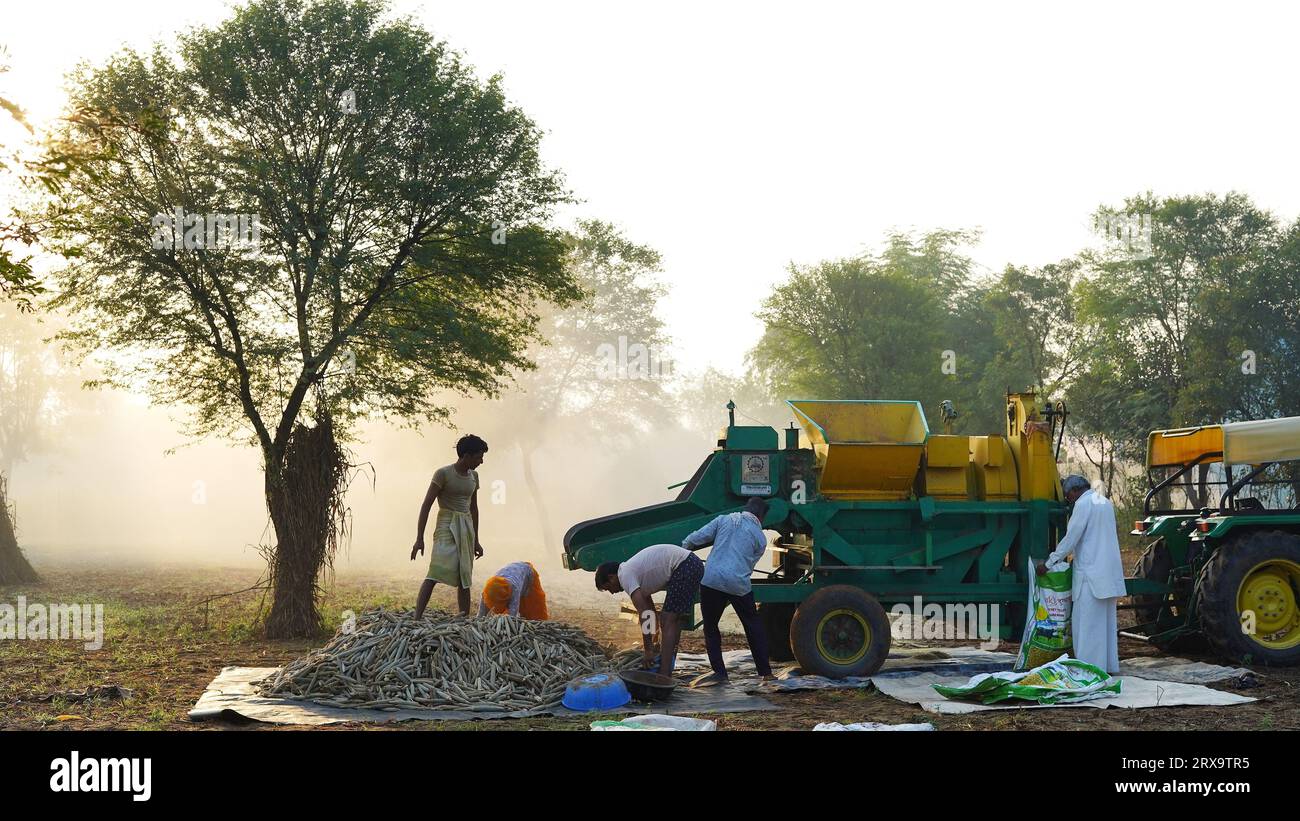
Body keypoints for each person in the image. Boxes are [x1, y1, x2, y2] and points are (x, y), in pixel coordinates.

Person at [1038, 474, 1127, 673]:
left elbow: (1071, 538)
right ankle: (1108, 666)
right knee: (1105, 626)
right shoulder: (1104, 502)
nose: (1068, 499)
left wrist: (1050, 562)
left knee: (1086, 626)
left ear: (1075, 491)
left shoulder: (1083, 505)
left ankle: (1088, 670)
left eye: (1068, 495)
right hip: (1107, 574)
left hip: (1091, 575)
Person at [682, 497, 774, 685]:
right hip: (738, 585)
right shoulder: (760, 537)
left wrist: (683, 548)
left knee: (711, 626)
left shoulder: (724, 519)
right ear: (761, 517)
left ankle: (719, 672)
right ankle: (765, 673)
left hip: (711, 580)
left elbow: (698, 537)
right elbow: (749, 564)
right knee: (752, 625)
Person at [594, 544, 704, 677]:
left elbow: (644, 614)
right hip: (690, 564)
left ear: (611, 577)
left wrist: (648, 650)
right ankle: (668, 664)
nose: (611, 592)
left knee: (667, 620)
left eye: (608, 588)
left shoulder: (625, 575)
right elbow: (650, 612)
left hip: (685, 566)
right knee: (673, 620)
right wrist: (655, 637)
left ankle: (663, 674)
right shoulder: (632, 573)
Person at [411, 435, 488, 618]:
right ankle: (416, 618)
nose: (481, 461)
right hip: (446, 525)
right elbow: (426, 505)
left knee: (464, 576)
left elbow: (474, 509)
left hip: (466, 527)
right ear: (466, 456)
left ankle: (463, 619)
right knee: (435, 571)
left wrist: (476, 540)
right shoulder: (443, 474)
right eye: (478, 457)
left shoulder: (474, 476)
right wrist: (419, 538)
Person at [477, 561, 549, 620]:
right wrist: (479, 622)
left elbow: (512, 616)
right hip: (513, 572)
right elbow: (481, 615)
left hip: (527, 573)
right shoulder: (488, 591)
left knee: (532, 609)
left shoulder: (514, 590)